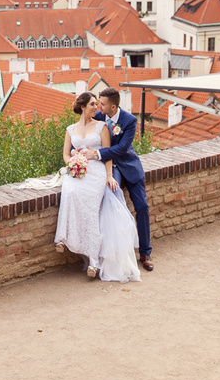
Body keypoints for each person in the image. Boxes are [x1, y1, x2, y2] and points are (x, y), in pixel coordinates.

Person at [54, 92, 141, 282]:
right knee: (69, 191)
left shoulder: (101, 126)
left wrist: (109, 176)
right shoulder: (70, 129)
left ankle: (94, 260)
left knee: (91, 209)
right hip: (77, 171)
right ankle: (61, 238)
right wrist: (72, 164)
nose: (97, 108)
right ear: (83, 106)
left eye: (98, 104)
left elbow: (107, 153)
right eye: (93, 104)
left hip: (97, 171)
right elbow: (66, 155)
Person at [82, 87, 154, 271]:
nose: (99, 106)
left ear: (113, 107)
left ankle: (145, 252)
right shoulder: (98, 117)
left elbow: (122, 149)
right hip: (110, 167)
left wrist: (96, 153)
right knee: (111, 202)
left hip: (129, 165)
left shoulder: (129, 120)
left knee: (142, 206)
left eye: (103, 104)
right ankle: (115, 253)